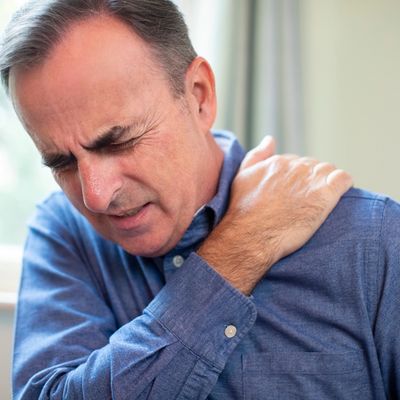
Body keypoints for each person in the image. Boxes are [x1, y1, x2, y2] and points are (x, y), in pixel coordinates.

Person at [0, 0, 398, 399]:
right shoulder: (64, 232)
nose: (97, 196)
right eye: (62, 163)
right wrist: (240, 248)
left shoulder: (376, 242)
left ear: (199, 96)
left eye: (118, 141)